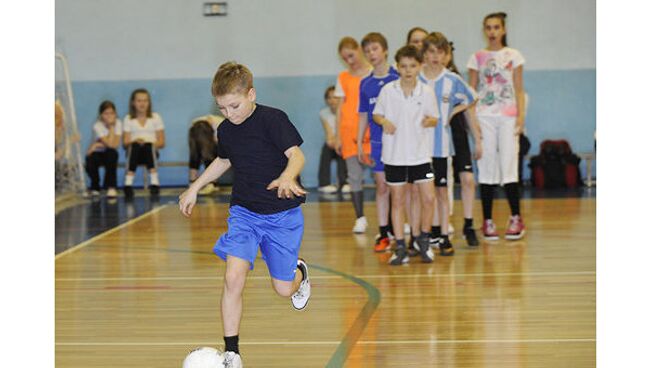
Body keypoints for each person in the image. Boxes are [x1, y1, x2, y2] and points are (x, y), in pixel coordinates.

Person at [178, 62, 311, 368]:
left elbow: (297, 155)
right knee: (232, 277)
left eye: (234, 106)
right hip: (244, 214)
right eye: (222, 108)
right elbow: (223, 161)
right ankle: (232, 353)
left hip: (282, 216)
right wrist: (195, 186)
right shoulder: (225, 129)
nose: (229, 114)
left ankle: (299, 273)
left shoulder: (273, 120)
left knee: (282, 289)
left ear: (251, 94)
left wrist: (289, 177)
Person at [373, 45, 440, 265]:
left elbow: (435, 118)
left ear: (419, 67)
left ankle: (423, 240)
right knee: (398, 201)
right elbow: (377, 115)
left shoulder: (426, 91)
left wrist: (429, 120)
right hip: (394, 156)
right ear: (397, 67)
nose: (408, 70)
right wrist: (385, 122)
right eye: (403, 66)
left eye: (412, 65)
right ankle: (400, 246)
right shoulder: (388, 91)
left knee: (428, 199)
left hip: (420, 156)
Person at [467, 12, 527, 240]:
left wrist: (521, 118)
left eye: (496, 27)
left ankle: (515, 218)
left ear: (503, 30)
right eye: (488, 28)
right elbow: (471, 93)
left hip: (508, 116)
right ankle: (488, 221)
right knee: (487, 166)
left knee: (509, 164)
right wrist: (474, 121)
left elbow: (519, 89)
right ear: (484, 30)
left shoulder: (514, 56)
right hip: (485, 116)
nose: (492, 32)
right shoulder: (477, 57)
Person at [420, 33, 478, 255]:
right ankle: (424, 234)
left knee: (442, 192)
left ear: (446, 54)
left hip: (442, 147)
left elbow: (472, 97)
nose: (435, 56)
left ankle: (444, 235)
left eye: (440, 52)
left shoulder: (452, 80)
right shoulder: (417, 78)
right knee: (423, 194)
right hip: (419, 149)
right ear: (424, 54)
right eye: (431, 51)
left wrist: (452, 112)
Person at [357, 32, 400, 253]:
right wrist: (359, 145)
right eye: (367, 51)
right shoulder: (366, 83)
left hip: (401, 143)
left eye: (374, 49)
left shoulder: (399, 76)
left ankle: (400, 231)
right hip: (378, 143)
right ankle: (384, 232)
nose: (371, 54)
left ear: (384, 50)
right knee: (382, 187)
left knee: (400, 189)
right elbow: (363, 115)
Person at [443, 40, 484, 247]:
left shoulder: (455, 79)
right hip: (437, 138)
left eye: (444, 52)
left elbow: (469, 107)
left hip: (458, 134)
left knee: (468, 179)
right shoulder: (426, 79)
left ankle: (468, 224)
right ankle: (442, 225)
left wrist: (477, 138)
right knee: (442, 185)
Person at [334, 37, 373, 233]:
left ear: (359, 49)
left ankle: (395, 220)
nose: (349, 61)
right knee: (354, 177)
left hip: (372, 130)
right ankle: (360, 217)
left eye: (351, 55)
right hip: (349, 132)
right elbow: (340, 108)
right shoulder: (342, 77)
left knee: (383, 176)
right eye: (344, 58)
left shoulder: (374, 72)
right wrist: (337, 135)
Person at [122, 88, 165, 198]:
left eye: (145, 100)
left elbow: (162, 142)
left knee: (147, 146)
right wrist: (135, 141)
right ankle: (128, 183)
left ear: (149, 102)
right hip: (134, 153)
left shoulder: (155, 118)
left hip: (151, 151)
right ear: (133, 102)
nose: (142, 104)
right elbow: (125, 143)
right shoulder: (128, 119)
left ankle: (154, 182)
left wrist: (149, 142)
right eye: (139, 101)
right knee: (135, 146)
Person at [84, 100, 122, 198]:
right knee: (90, 159)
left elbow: (114, 145)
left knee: (112, 154)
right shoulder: (97, 125)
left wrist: (112, 127)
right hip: (96, 153)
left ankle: (111, 187)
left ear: (115, 114)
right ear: (101, 115)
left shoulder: (118, 123)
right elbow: (109, 143)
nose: (109, 116)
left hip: (108, 152)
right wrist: (95, 146)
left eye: (112, 113)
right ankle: (95, 187)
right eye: (106, 113)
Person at [317, 85, 349, 194]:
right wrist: (330, 140)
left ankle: (344, 182)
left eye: (335, 97)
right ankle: (324, 184)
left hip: (344, 141)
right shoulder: (323, 112)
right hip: (332, 142)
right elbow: (328, 131)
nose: (332, 100)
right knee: (326, 150)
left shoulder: (346, 111)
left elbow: (345, 131)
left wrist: (338, 141)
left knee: (342, 150)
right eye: (329, 98)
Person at [189, 114, 226, 195]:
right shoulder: (195, 125)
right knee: (195, 154)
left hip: (216, 136)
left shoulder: (222, 126)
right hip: (201, 130)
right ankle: (192, 182)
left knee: (209, 155)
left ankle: (212, 183)